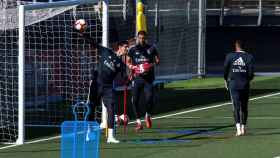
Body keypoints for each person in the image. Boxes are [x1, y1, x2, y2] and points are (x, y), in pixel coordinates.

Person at [77, 30, 129, 143]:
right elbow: (93, 43)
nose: (127, 49)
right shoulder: (107, 52)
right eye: (125, 47)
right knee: (91, 108)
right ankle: (89, 132)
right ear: (119, 47)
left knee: (111, 108)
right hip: (97, 83)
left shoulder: (121, 64)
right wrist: (83, 34)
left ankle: (110, 137)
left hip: (108, 87)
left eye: (127, 47)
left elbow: (125, 78)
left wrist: (130, 78)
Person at [126, 30, 160, 131]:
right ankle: (138, 122)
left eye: (143, 38)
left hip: (148, 78)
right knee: (134, 100)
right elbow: (127, 61)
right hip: (137, 78)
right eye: (139, 38)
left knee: (149, 98)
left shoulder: (151, 48)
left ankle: (147, 115)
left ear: (146, 38)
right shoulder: (133, 49)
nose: (141, 40)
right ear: (137, 38)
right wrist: (132, 68)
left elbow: (158, 60)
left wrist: (150, 65)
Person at [224, 40, 255, 136]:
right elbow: (251, 73)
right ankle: (243, 128)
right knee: (244, 107)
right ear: (244, 47)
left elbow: (225, 69)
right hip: (245, 84)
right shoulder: (249, 57)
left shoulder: (230, 56)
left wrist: (226, 80)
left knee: (236, 106)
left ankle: (238, 129)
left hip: (233, 84)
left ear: (236, 47)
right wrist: (247, 80)